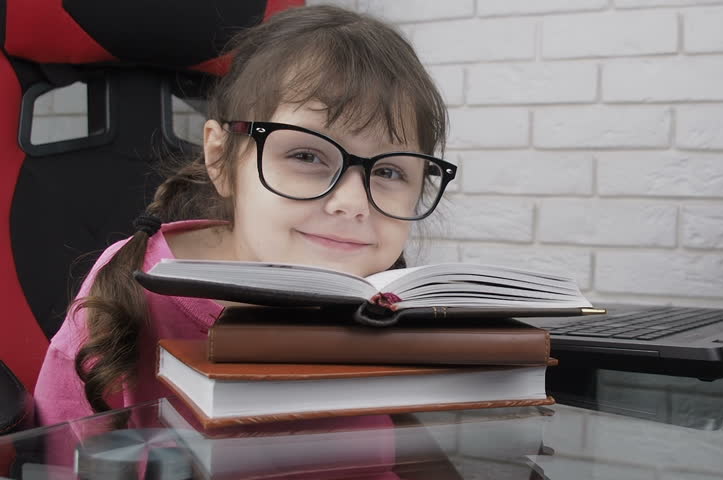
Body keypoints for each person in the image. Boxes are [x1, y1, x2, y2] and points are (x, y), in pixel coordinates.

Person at [33, 4, 452, 431]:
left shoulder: (386, 306)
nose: (352, 202)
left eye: (387, 172)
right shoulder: (126, 295)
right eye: (306, 155)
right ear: (221, 159)